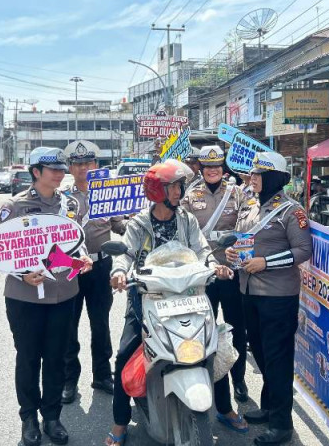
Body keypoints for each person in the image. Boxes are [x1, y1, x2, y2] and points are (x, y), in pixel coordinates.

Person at [105, 159, 232, 446]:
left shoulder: (185, 219)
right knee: (125, 356)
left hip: (187, 297)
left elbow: (202, 249)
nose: (179, 191)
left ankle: (225, 408)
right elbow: (125, 254)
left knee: (212, 346)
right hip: (148, 297)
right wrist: (119, 272)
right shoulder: (139, 223)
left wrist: (216, 265)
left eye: (179, 186)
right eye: (174, 186)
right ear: (157, 190)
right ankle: (120, 422)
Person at [0, 147, 94, 446]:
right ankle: (28, 418)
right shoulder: (14, 206)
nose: (59, 172)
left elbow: (75, 243)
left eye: (61, 167)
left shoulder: (69, 204)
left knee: (55, 358)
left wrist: (85, 258)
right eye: (52, 168)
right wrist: (21, 274)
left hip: (63, 293)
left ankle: (51, 417)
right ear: (36, 172)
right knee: (28, 358)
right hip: (24, 298)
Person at [226, 151, 313, 445]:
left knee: (277, 359)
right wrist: (233, 253)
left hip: (278, 296)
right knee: (261, 354)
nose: (252, 178)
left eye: (258, 174)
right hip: (249, 291)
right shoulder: (251, 206)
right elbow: (244, 241)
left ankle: (282, 424)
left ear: (273, 177)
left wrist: (266, 263)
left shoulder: (291, 211)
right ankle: (269, 406)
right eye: (252, 173)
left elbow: (303, 250)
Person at [180, 145, 249, 433]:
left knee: (236, 329)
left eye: (217, 167)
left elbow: (248, 227)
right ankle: (202, 382)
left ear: (224, 169)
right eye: (208, 167)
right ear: (201, 168)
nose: (212, 171)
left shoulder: (237, 194)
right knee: (201, 332)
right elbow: (180, 229)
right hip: (203, 276)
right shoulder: (190, 195)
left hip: (231, 274)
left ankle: (239, 380)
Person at [61, 141, 127, 403]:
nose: (83, 168)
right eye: (77, 164)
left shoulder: (106, 195)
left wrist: (132, 218)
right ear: (70, 167)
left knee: (100, 324)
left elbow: (119, 227)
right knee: (68, 325)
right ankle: (69, 380)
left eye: (88, 163)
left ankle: (102, 375)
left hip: (101, 266)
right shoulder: (62, 197)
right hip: (70, 267)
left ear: (96, 166)